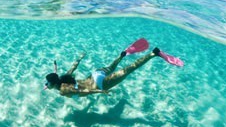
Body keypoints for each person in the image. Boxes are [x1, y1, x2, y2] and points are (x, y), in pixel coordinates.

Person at [44, 39, 183, 98]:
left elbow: (82, 90)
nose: (45, 85)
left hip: (99, 83)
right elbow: (73, 68)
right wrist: (79, 58)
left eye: (47, 83)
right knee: (111, 67)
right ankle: (122, 55)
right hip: (95, 74)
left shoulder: (62, 90)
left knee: (128, 70)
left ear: (53, 84)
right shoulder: (62, 78)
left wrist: (99, 91)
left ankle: (154, 53)